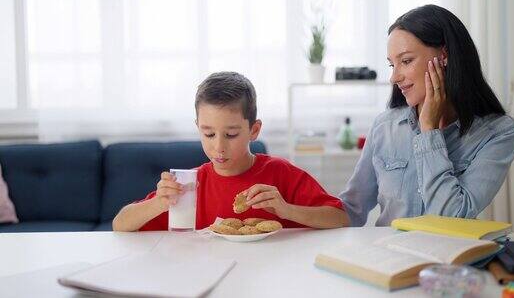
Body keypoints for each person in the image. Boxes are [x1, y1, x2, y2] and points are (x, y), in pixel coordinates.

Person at [339, 4, 514, 227]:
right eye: (391, 64)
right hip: (389, 258)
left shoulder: (499, 134)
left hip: (445, 259)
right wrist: (292, 210)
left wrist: (429, 131)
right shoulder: (385, 127)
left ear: (443, 55)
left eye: (405, 61)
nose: (394, 77)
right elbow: (351, 209)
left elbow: (451, 220)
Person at [113, 72, 349, 231]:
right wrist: (160, 203)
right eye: (209, 134)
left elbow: (340, 219)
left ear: (254, 130)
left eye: (231, 134)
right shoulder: (191, 184)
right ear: (198, 128)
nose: (219, 147)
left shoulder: (279, 173)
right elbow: (119, 224)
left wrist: (286, 210)